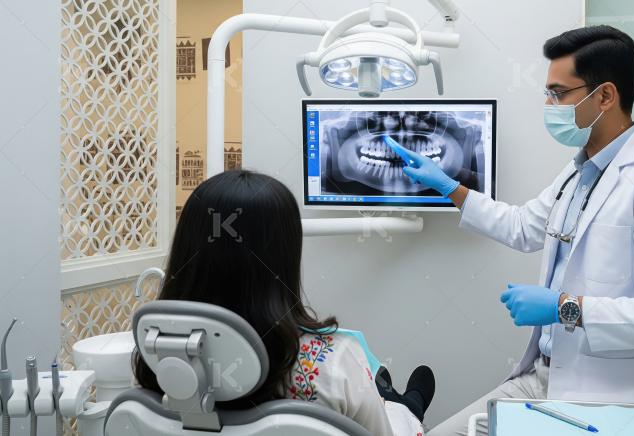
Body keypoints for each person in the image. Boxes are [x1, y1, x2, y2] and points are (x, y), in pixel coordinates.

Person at [390, 25, 634, 436]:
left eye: (558, 94)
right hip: (548, 378)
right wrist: (449, 187)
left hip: (613, 396)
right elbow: (524, 226)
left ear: (606, 96)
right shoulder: (580, 172)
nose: (548, 103)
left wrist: (565, 307)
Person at [132, 169, 435, 436]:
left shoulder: (157, 354)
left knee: (381, 387)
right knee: (398, 409)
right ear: (286, 255)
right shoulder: (335, 362)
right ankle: (409, 403)